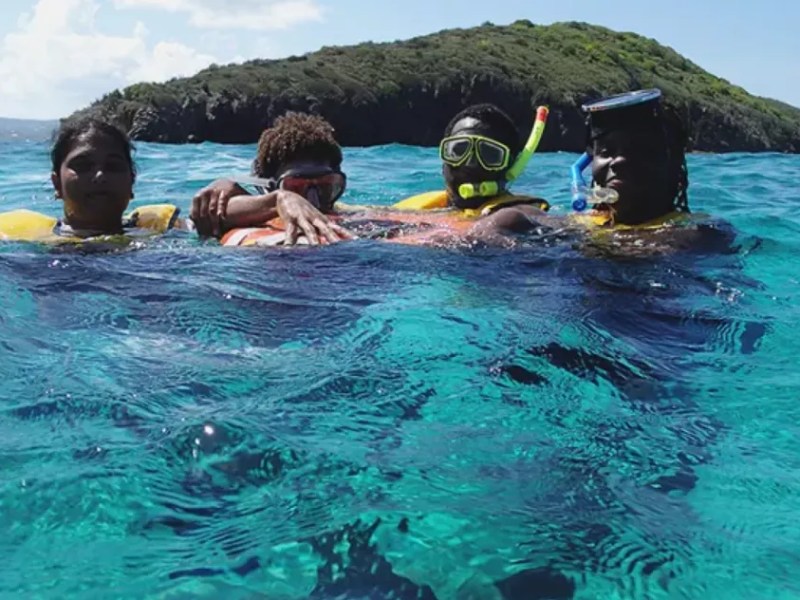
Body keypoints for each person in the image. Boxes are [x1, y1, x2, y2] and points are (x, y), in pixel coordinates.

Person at [0, 118, 184, 243]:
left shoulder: (167, 231)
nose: (100, 176)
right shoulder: (18, 237)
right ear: (57, 183)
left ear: (132, 181)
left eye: (113, 166)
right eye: (82, 166)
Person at [191, 112, 355, 247]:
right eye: (296, 188)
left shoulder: (351, 213)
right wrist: (279, 199)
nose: (314, 203)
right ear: (269, 187)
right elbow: (213, 214)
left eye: (325, 187)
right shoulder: (263, 206)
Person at [570, 88, 690, 228]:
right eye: (606, 152)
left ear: (673, 162)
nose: (618, 162)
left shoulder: (691, 235)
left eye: (637, 150)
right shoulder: (580, 224)